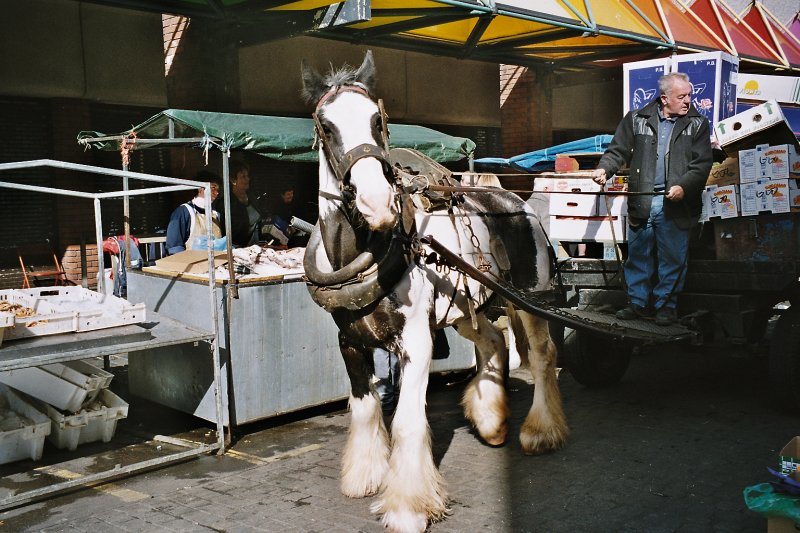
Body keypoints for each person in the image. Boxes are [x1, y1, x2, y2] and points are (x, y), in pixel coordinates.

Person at [592, 72, 712, 326]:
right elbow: (617, 151)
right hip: (643, 199)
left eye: (689, 95)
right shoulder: (636, 119)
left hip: (675, 204)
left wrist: (683, 187)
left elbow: (701, 165)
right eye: (682, 96)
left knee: (673, 258)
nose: (688, 101)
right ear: (664, 98)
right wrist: (604, 169)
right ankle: (637, 304)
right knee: (638, 256)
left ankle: (665, 306)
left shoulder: (698, 124)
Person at [165, 171, 223, 255]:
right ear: (200, 189)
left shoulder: (216, 215)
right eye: (213, 188)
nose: (216, 193)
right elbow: (174, 248)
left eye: (218, 190)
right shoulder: (183, 212)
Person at [220, 160, 263, 247]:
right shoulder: (225, 203)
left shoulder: (252, 198)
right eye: (243, 176)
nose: (248, 179)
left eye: (247, 176)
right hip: (236, 249)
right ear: (233, 180)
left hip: (254, 246)